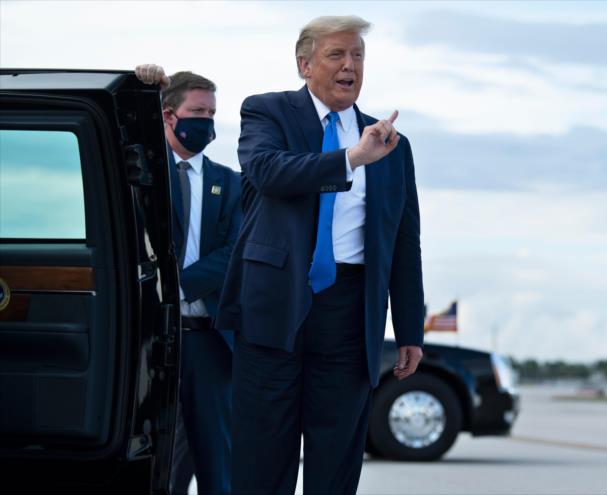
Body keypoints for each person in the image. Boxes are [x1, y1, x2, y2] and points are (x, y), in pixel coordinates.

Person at [215, 15, 425, 494]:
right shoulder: (267, 112)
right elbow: (269, 173)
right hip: (274, 306)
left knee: (335, 463)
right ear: (304, 64)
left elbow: (403, 242)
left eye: (358, 56)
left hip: (351, 313)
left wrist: (410, 328)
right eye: (337, 55)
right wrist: (351, 159)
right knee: (262, 457)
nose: (350, 65)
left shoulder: (393, 143)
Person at [135, 65, 241, 495]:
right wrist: (143, 81)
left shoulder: (230, 184)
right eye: (198, 111)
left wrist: (176, 286)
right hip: (150, 339)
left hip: (208, 341)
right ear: (168, 115)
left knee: (218, 461)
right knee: (153, 458)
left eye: (212, 113)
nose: (207, 122)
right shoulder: (140, 175)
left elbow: (237, 250)